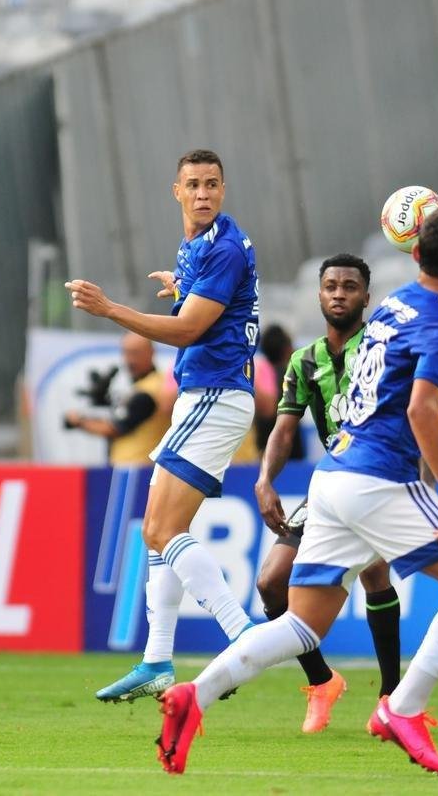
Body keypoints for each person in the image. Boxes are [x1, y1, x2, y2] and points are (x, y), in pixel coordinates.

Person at [155, 205, 438, 778]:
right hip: (377, 480)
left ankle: (196, 695)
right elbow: (418, 406)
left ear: (414, 253)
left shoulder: (391, 308)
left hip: (332, 478)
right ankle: (403, 707)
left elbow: (380, 399)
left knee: (300, 625)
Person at [254, 253, 438, 734]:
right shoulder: (305, 362)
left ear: (367, 298)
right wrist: (265, 479)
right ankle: (322, 680)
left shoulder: (384, 340)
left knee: (374, 575)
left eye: (349, 286)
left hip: (385, 476)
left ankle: (390, 695)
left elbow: (420, 407)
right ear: (319, 294)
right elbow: (284, 430)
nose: (339, 293)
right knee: (270, 582)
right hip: (335, 477)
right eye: (330, 286)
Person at [65, 149, 261, 702]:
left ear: (224, 189)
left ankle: (243, 636)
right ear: (176, 191)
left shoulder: (222, 247)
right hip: (206, 395)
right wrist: (182, 287)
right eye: (194, 185)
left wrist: (110, 310)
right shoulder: (199, 246)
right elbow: (206, 308)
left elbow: (186, 331)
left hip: (215, 394)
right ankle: (156, 660)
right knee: (157, 534)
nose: (203, 193)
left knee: (158, 530)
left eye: (213, 184)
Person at [64, 332, 172, 465]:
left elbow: (114, 428)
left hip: (136, 467)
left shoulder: (149, 390)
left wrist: (79, 421)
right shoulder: (144, 385)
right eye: (126, 353)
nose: (130, 360)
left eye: (135, 353)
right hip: (133, 466)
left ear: (151, 352)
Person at [254, 323, 303, 459]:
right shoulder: (292, 374)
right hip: (291, 452)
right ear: (287, 349)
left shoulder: (259, 371)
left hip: (264, 450)